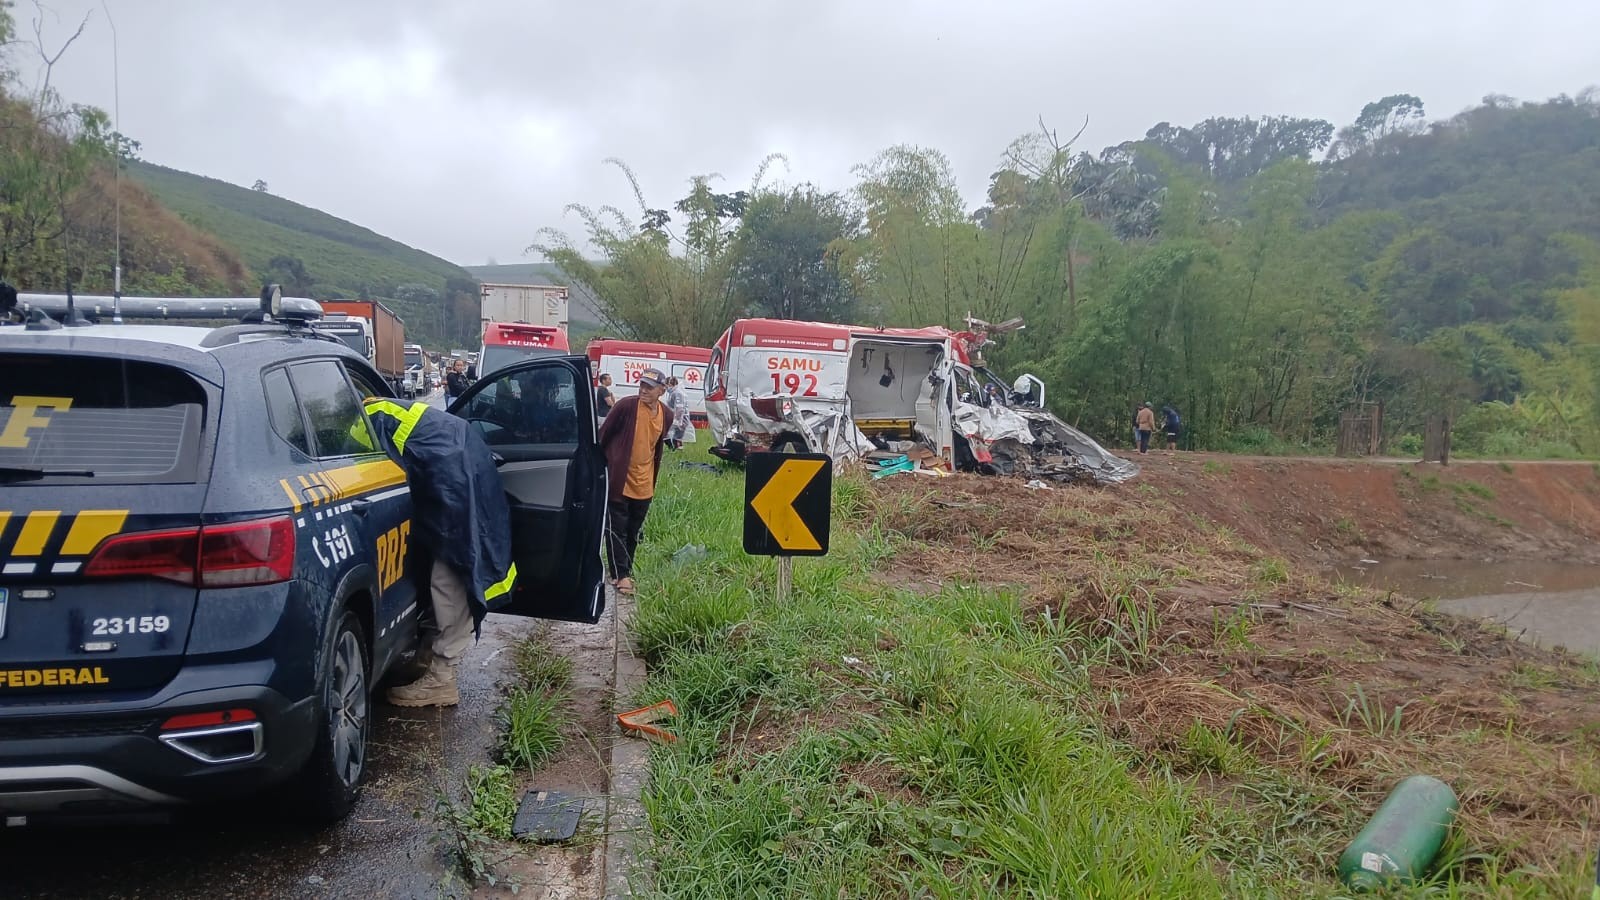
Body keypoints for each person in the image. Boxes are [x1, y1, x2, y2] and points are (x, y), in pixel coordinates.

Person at [361, 397, 517, 707]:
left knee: (453, 571)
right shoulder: (373, 407)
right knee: (443, 561)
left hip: (451, 468)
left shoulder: (356, 420)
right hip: (457, 457)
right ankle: (427, 657)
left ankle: (442, 679)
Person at [596, 366, 673, 597]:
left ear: (661, 390)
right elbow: (603, 437)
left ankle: (622, 571)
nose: (644, 390)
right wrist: (604, 466)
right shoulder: (626, 407)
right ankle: (622, 575)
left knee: (632, 531)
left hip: (645, 481)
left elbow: (656, 446)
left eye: (649, 387)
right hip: (620, 478)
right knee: (616, 528)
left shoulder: (666, 414)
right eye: (641, 385)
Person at [664, 376, 691, 450]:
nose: (665, 388)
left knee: (676, 437)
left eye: (665, 385)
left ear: (669, 384)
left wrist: (677, 421)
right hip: (677, 417)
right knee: (672, 435)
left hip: (681, 418)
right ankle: (673, 449)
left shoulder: (677, 393)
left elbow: (680, 408)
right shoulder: (674, 392)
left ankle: (675, 450)